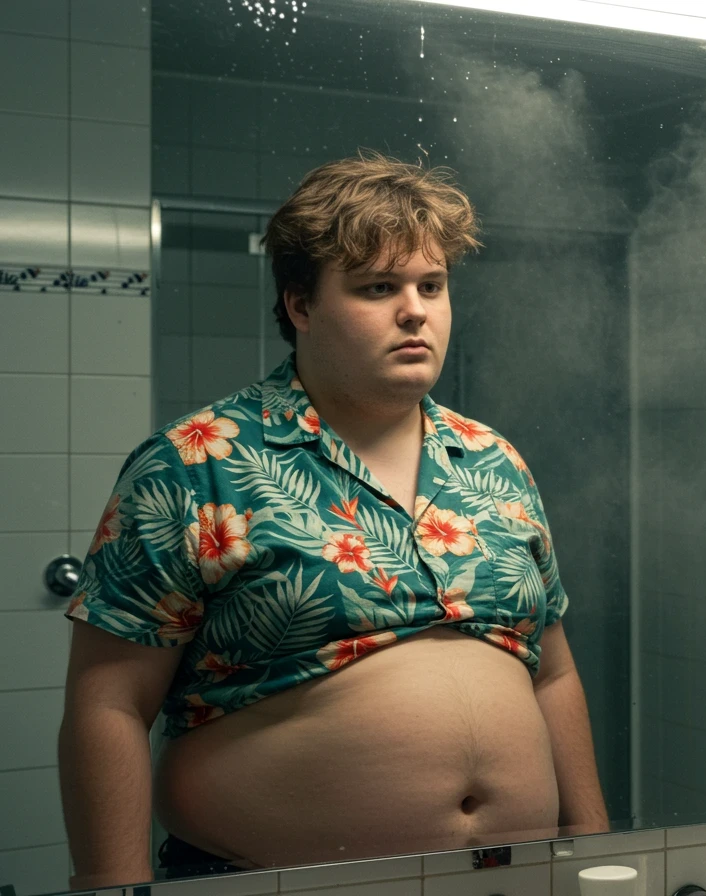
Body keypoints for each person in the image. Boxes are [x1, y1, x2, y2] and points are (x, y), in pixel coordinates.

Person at [58, 153, 609, 888]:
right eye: (378, 288)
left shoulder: (494, 461)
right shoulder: (194, 464)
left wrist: (600, 855)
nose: (414, 309)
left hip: (509, 879)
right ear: (301, 306)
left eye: (431, 286)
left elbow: (554, 674)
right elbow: (109, 707)